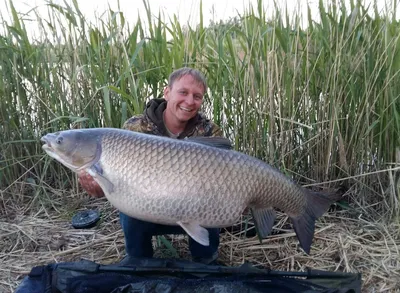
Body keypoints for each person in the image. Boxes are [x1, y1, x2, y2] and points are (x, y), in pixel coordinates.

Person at [78, 67, 225, 265]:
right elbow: (109, 188)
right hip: (145, 209)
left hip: (194, 209)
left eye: (197, 96)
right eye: (183, 92)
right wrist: (96, 185)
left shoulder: (209, 132)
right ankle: (139, 260)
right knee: (129, 209)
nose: (190, 101)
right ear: (167, 92)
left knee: (211, 211)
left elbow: (223, 183)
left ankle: (205, 260)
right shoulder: (135, 128)